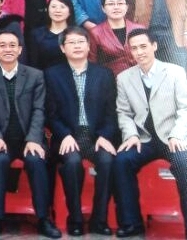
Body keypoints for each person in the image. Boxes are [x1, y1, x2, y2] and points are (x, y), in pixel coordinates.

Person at [113, 28, 187, 240]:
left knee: (184, 164)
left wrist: (177, 135)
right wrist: (131, 135)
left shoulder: (175, 72)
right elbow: (123, 112)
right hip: (145, 139)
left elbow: (186, 109)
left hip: (172, 137)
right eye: (134, 48)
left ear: (154, 46)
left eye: (143, 46)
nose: (139, 52)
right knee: (122, 161)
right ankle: (132, 224)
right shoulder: (124, 78)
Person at [0, 31, 61, 239]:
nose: (8, 49)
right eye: (2, 45)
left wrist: (33, 139)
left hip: (28, 139)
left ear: (20, 50)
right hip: (0, 138)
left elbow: (39, 109)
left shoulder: (35, 75)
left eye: (12, 45)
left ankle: (43, 218)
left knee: (36, 161)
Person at [44, 27, 116, 236]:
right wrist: (64, 135)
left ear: (88, 45)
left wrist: (105, 135)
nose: (77, 46)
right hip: (67, 135)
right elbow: (50, 113)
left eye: (81, 42)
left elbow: (111, 112)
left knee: (107, 161)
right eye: (71, 42)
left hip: (96, 136)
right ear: (62, 48)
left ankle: (99, 220)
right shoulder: (52, 74)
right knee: (72, 162)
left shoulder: (104, 74)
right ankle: (75, 219)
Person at [87, 0, 145, 75]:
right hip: (111, 79)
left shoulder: (139, 29)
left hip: (140, 76)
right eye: (111, 4)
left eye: (120, 3)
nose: (116, 7)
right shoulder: (95, 33)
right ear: (103, 8)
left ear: (127, 7)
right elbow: (92, 62)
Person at [27, 0, 75, 70]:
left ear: (70, 11)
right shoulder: (37, 34)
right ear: (47, 10)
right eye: (53, 7)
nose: (57, 10)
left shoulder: (77, 34)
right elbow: (33, 64)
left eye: (62, 7)